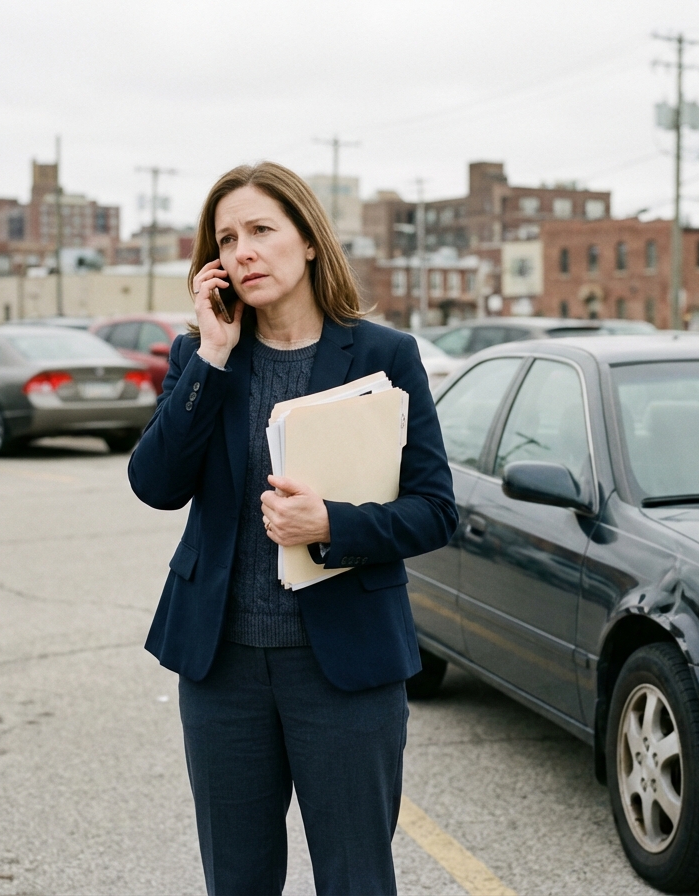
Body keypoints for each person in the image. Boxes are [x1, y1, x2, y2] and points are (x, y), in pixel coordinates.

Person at [127, 161, 458, 896]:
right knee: (237, 882)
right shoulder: (200, 356)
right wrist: (211, 356)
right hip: (222, 668)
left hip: (343, 667)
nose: (243, 250)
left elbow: (436, 508)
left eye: (261, 230)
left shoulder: (383, 356)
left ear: (308, 240)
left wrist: (330, 523)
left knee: (356, 880)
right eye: (227, 237)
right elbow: (154, 485)